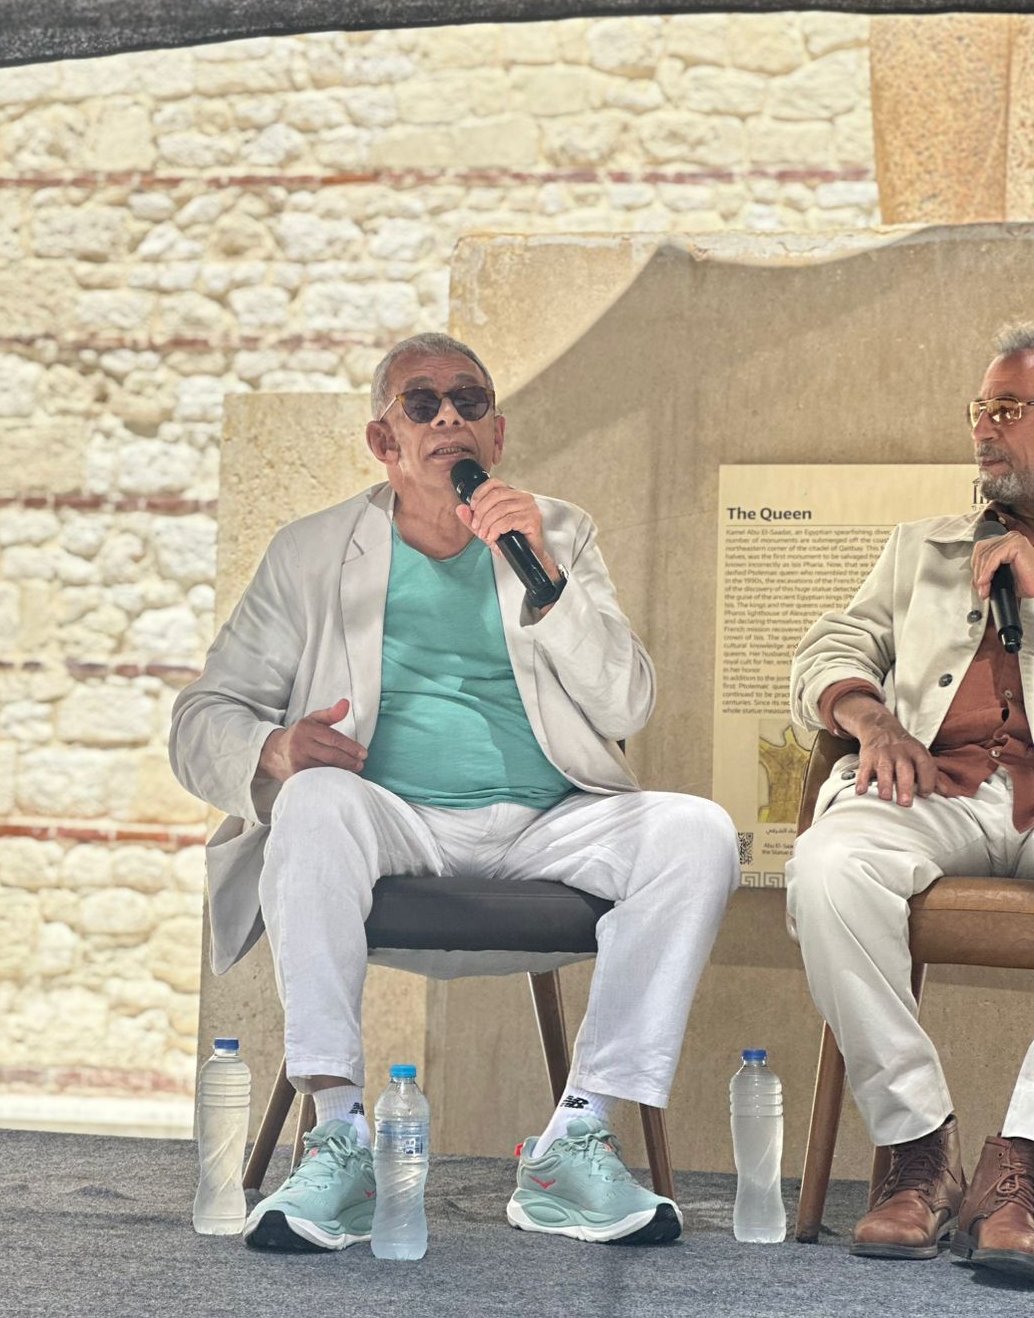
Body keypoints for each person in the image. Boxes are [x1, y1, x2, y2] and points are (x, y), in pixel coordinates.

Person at [171, 331, 738, 1253]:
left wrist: (547, 580)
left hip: (550, 822)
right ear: (383, 441)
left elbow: (626, 702)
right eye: (422, 403)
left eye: (468, 402)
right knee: (311, 801)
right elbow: (200, 719)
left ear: (496, 434)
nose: (447, 419)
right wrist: (275, 747)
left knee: (699, 832)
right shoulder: (311, 552)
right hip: (391, 821)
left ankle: (574, 1138)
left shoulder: (557, 533)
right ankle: (341, 1137)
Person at [788, 320, 1034, 1279]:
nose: (983, 429)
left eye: (1008, 409)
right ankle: (920, 1149)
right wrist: (871, 720)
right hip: (941, 789)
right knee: (829, 864)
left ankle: (1021, 1165)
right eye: (981, 408)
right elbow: (829, 647)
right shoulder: (920, 548)